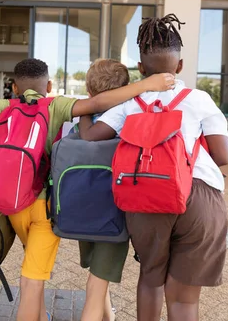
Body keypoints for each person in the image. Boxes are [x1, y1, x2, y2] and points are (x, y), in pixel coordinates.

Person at [0, 58, 176, 321]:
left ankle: (42, 315)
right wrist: (148, 84)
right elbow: (99, 103)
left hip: (13, 206)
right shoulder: (56, 105)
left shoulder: (5, 105)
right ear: (49, 85)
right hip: (44, 209)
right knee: (32, 281)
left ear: (14, 88)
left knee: (33, 268)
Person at [78, 14, 228, 321]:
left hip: (145, 194)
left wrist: (88, 106)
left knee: (151, 278)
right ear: (180, 65)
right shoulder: (200, 100)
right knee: (185, 299)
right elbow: (223, 155)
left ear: (140, 69)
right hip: (198, 197)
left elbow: (90, 137)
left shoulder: (130, 103)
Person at [68, 59, 131, 321]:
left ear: (89, 90)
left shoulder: (80, 121)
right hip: (113, 214)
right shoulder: (128, 118)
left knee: (97, 273)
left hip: (83, 210)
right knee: (97, 282)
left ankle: (109, 316)